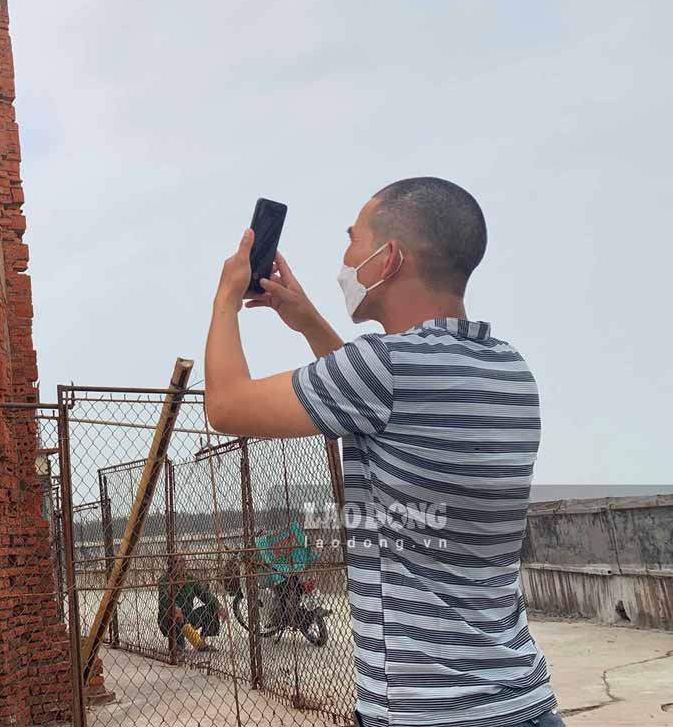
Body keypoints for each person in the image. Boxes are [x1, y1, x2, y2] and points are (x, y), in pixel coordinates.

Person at [205, 178, 563, 727]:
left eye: (353, 241)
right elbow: (384, 414)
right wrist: (309, 322)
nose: (345, 259)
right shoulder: (509, 367)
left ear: (388, 258)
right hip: (522, 698)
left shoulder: (382, 368)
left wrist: (227, 294)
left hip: (429, 711)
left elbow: (227, 406)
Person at [157, 554, 228, 653]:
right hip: (169, 617)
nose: (181, 565)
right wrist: (175, 608)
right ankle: (176, 643)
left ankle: (201, 642)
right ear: (170, 565)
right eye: (177, 562)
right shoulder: (164, 580)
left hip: (188, 615)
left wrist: (219, 606)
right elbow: (164, 601)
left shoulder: (190, 580)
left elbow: (205, 594)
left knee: (212, 607)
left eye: (183, 561)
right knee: (179, 645)